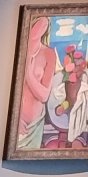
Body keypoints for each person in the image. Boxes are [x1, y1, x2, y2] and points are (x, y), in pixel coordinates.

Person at [18, 17, 58, 150]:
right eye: (37, 23)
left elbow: (44, 96)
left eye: (44, 24)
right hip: (16, 125)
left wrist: (28, 74)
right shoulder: (17, 50)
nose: (40, 27)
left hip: (34, 125)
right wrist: (15, 119)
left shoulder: (49, 54)